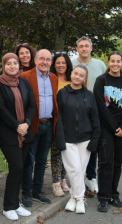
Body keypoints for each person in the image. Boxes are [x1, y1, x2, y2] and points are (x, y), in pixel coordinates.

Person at [0, 53, 35, 221]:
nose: (12, 66)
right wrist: (17, 125)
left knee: (21, 168)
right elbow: (1, 108)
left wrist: (27, 124)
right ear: (3, 65)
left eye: (15, 63)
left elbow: (31, 105)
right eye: (8, 63)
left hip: (25, 131)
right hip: (8, 133)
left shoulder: (24, 82)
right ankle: (8, 206)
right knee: (16, 167)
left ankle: (16, 204)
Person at [94, 51, 122, 212]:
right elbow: (100, 106)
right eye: (113, 61)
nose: (116, 64)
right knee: (106, 163)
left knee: (117, 163)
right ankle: (103, 197)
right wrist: (114, 127)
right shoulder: (101, 81)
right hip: (106, 128)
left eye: (118, 61)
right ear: (108, 62)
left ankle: (113, 194)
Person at [56, 64, 100, 214]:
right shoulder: (62, 93)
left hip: (85, 139)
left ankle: (74, 198)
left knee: (80, 171)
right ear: (72, 74)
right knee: (73, 170)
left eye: (81, 75)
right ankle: (80, 198)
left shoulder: (89, 95)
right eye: (76, 73)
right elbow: (58, 118)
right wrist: (60, 139)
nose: (77, 77)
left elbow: (95, 119)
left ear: (84, 78)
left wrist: (94, 141)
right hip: (67, 139)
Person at [20, 49, 59, 207]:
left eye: (48, 59)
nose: (45, 62)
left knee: (42, 161)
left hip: (48, 124)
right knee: (29, 160)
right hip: (32, 124)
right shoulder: (25, 77)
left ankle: (38, 191)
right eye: (41, 59)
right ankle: (26, 193)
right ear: (35, 60)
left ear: (51, 62)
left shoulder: (54, 78)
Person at [71, 36, 106, 194]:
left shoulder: (99, 65)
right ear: (77, 48)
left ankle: (90, 177)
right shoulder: (71, 64)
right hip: (74, 110)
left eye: (86, 46)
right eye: (81, 46)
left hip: (94, 111)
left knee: (93, 144)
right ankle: (75, 177)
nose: (84, 48)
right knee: (73, 146)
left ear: (91, 48)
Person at [49, 52, 73, 197]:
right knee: (56, 153)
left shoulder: (72, 79)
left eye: (63, 62)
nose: (61, 65)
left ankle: (63, 180)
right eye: (58, 62)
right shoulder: (51, 79)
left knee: (67, 153)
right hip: (55, 122)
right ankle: (55, 183)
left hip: (69, 122)